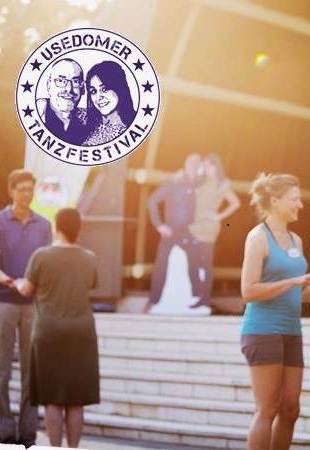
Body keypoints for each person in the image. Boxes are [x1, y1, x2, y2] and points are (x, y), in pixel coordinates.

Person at [239, 173, 310, 450]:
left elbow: (296, 290)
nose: (300, 205)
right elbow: (249, 291)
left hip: (291, 331)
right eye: (294, 199)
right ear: (274, 201)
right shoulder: (258, 237)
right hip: (262, 330)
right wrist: (294, 281)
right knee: (267, 409)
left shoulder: (296, 239)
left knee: (291, 409)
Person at [14, 208, 99, 448]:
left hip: (48, 333)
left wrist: (19, 282)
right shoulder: (89, 257)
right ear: (79, 229)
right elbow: (89, 289)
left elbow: (26, 290)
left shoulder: (41, 256)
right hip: (81, 334)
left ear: (56, 227)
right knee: (76, 398)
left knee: (53, 398)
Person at [0, 170, 52, 447]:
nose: (27, 194)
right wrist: (15, 283)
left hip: (33, 305)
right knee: (0, 370)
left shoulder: (44, 225)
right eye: (22, 189)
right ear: (11, 190)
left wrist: (33, 286)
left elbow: (47, 265)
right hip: (3, 301)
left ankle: (27, 434)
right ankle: (4, 433)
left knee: (32, 371)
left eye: (31, 189)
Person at [146, 153, 201, 310]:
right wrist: (159, 225)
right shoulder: (174, 181)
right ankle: (153, 301)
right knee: (161, 265)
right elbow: (152, 200)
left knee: (196, 261)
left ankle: (198, 299)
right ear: (185, 164)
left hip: (190, 232)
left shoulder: (199, 183)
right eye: (191, 164)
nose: (194, 167)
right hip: (171, 231)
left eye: (197, 164)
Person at [188, 154, 241, 306]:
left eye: (208, 166)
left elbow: (235, 203)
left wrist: (219, 216)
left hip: (208, 227)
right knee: (193, 261)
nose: (205, 169)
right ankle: (198, 292)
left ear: (215, 167)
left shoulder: (221, 184)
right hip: (196, 224)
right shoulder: (202, 181)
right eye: (204, 166)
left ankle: (204, 297)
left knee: (205, 262)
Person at [82, 60, 137, 146]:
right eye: (93, 91)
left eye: (104, 89)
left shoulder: (133, 132)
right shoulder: (84, 117)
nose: (98, 97)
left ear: (119, 88)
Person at [36, 58, 88, 145]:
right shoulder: (37, 115)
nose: (68, 89)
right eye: (60, 81)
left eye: (75, 81)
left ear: (83, 89)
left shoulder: (88, 124)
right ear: (49, 86)